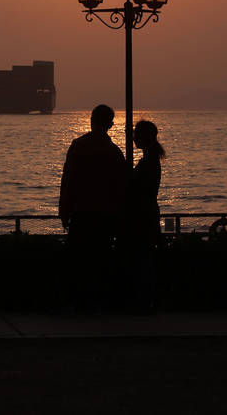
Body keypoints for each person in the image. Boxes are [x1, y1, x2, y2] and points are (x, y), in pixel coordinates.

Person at [58, 104, 127, 309]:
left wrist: (64, 211)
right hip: (105, 215)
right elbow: (120, 187)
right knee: (101, 260)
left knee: (77, 261)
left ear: (91, 120)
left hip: (81, 213)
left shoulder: (78, 145)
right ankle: (98, 303)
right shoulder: (114, 152)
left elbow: (68, 180)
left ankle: (75, 302)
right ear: (111, 125)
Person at [123, 120, 166, 311]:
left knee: (142, 259)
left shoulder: (148, 161)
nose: (132, 138)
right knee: (143, 258)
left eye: (135, 134)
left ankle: (143, 301)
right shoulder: (150, 159)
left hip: (142, 216)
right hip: (146, 214)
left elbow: (137, 188)